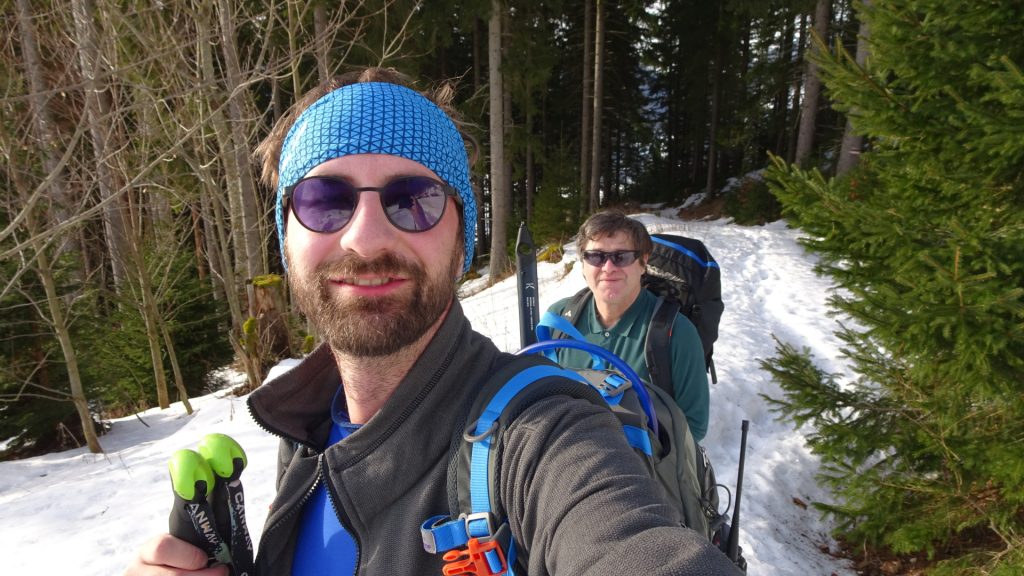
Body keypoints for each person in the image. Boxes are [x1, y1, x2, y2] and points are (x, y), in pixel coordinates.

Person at [125, 68, 740, 576]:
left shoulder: (541, 438)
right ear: (286, 238)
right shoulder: (305, 436)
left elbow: (625, 542)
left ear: (462, 239)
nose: (365, 239)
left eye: (413, 200)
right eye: (324, 200)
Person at [547, 211, 710, 442]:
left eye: (621, 257)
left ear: (643, 262)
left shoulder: (674, 333)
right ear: (583, 264)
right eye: (596, 257)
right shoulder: (559, 319)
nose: (608, 267)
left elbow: (693, 426)